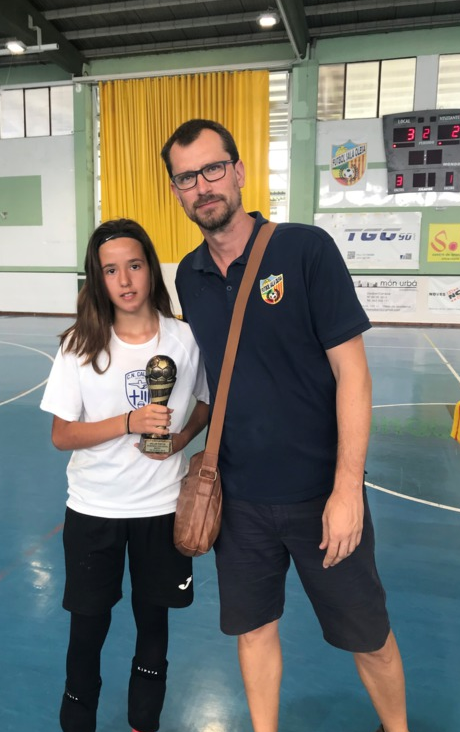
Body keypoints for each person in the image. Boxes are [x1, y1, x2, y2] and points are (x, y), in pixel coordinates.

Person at [160, 119, 410, 732]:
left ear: (239, 172)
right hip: (238, 501)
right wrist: (179, 437)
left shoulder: (304, 250)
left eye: (213, 169)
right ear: (176, 191)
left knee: (369, 636)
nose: (202, 186)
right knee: (253, 632)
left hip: (321, 494)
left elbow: (353, 374)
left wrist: (347, 491)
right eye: (187, 178)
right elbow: (219, 381)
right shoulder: (189, 276)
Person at [40, 217, 209, 732]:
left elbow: (206, 401)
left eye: (134, 265)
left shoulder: (185, 339)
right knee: (87, 630)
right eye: (111, 270)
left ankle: (144, 723)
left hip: (161, 509)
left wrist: (181, 438)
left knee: (153, 626)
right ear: (98, 278)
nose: (125, 280)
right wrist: (128, 422)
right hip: (95, 510)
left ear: (150, 269)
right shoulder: (80, 345)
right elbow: (62, 434)